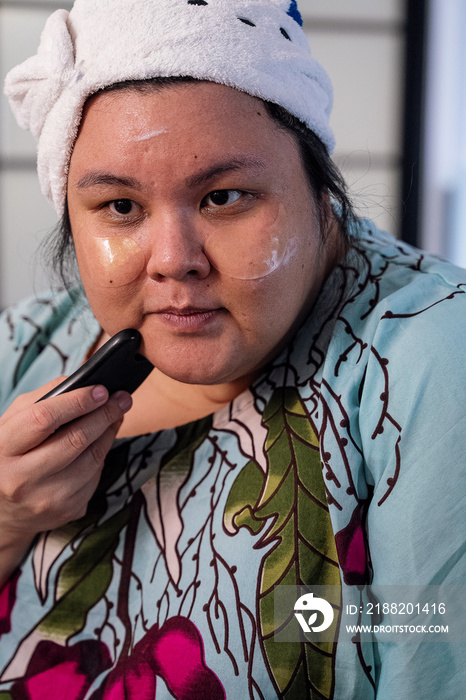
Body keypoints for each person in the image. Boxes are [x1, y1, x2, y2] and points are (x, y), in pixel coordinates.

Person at [0, 1, 465, 698]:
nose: (174, 261)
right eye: (121, 208)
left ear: (319, 194)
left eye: (225, 197)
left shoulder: (427, 357)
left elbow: (434, 657)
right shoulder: (27, 346)